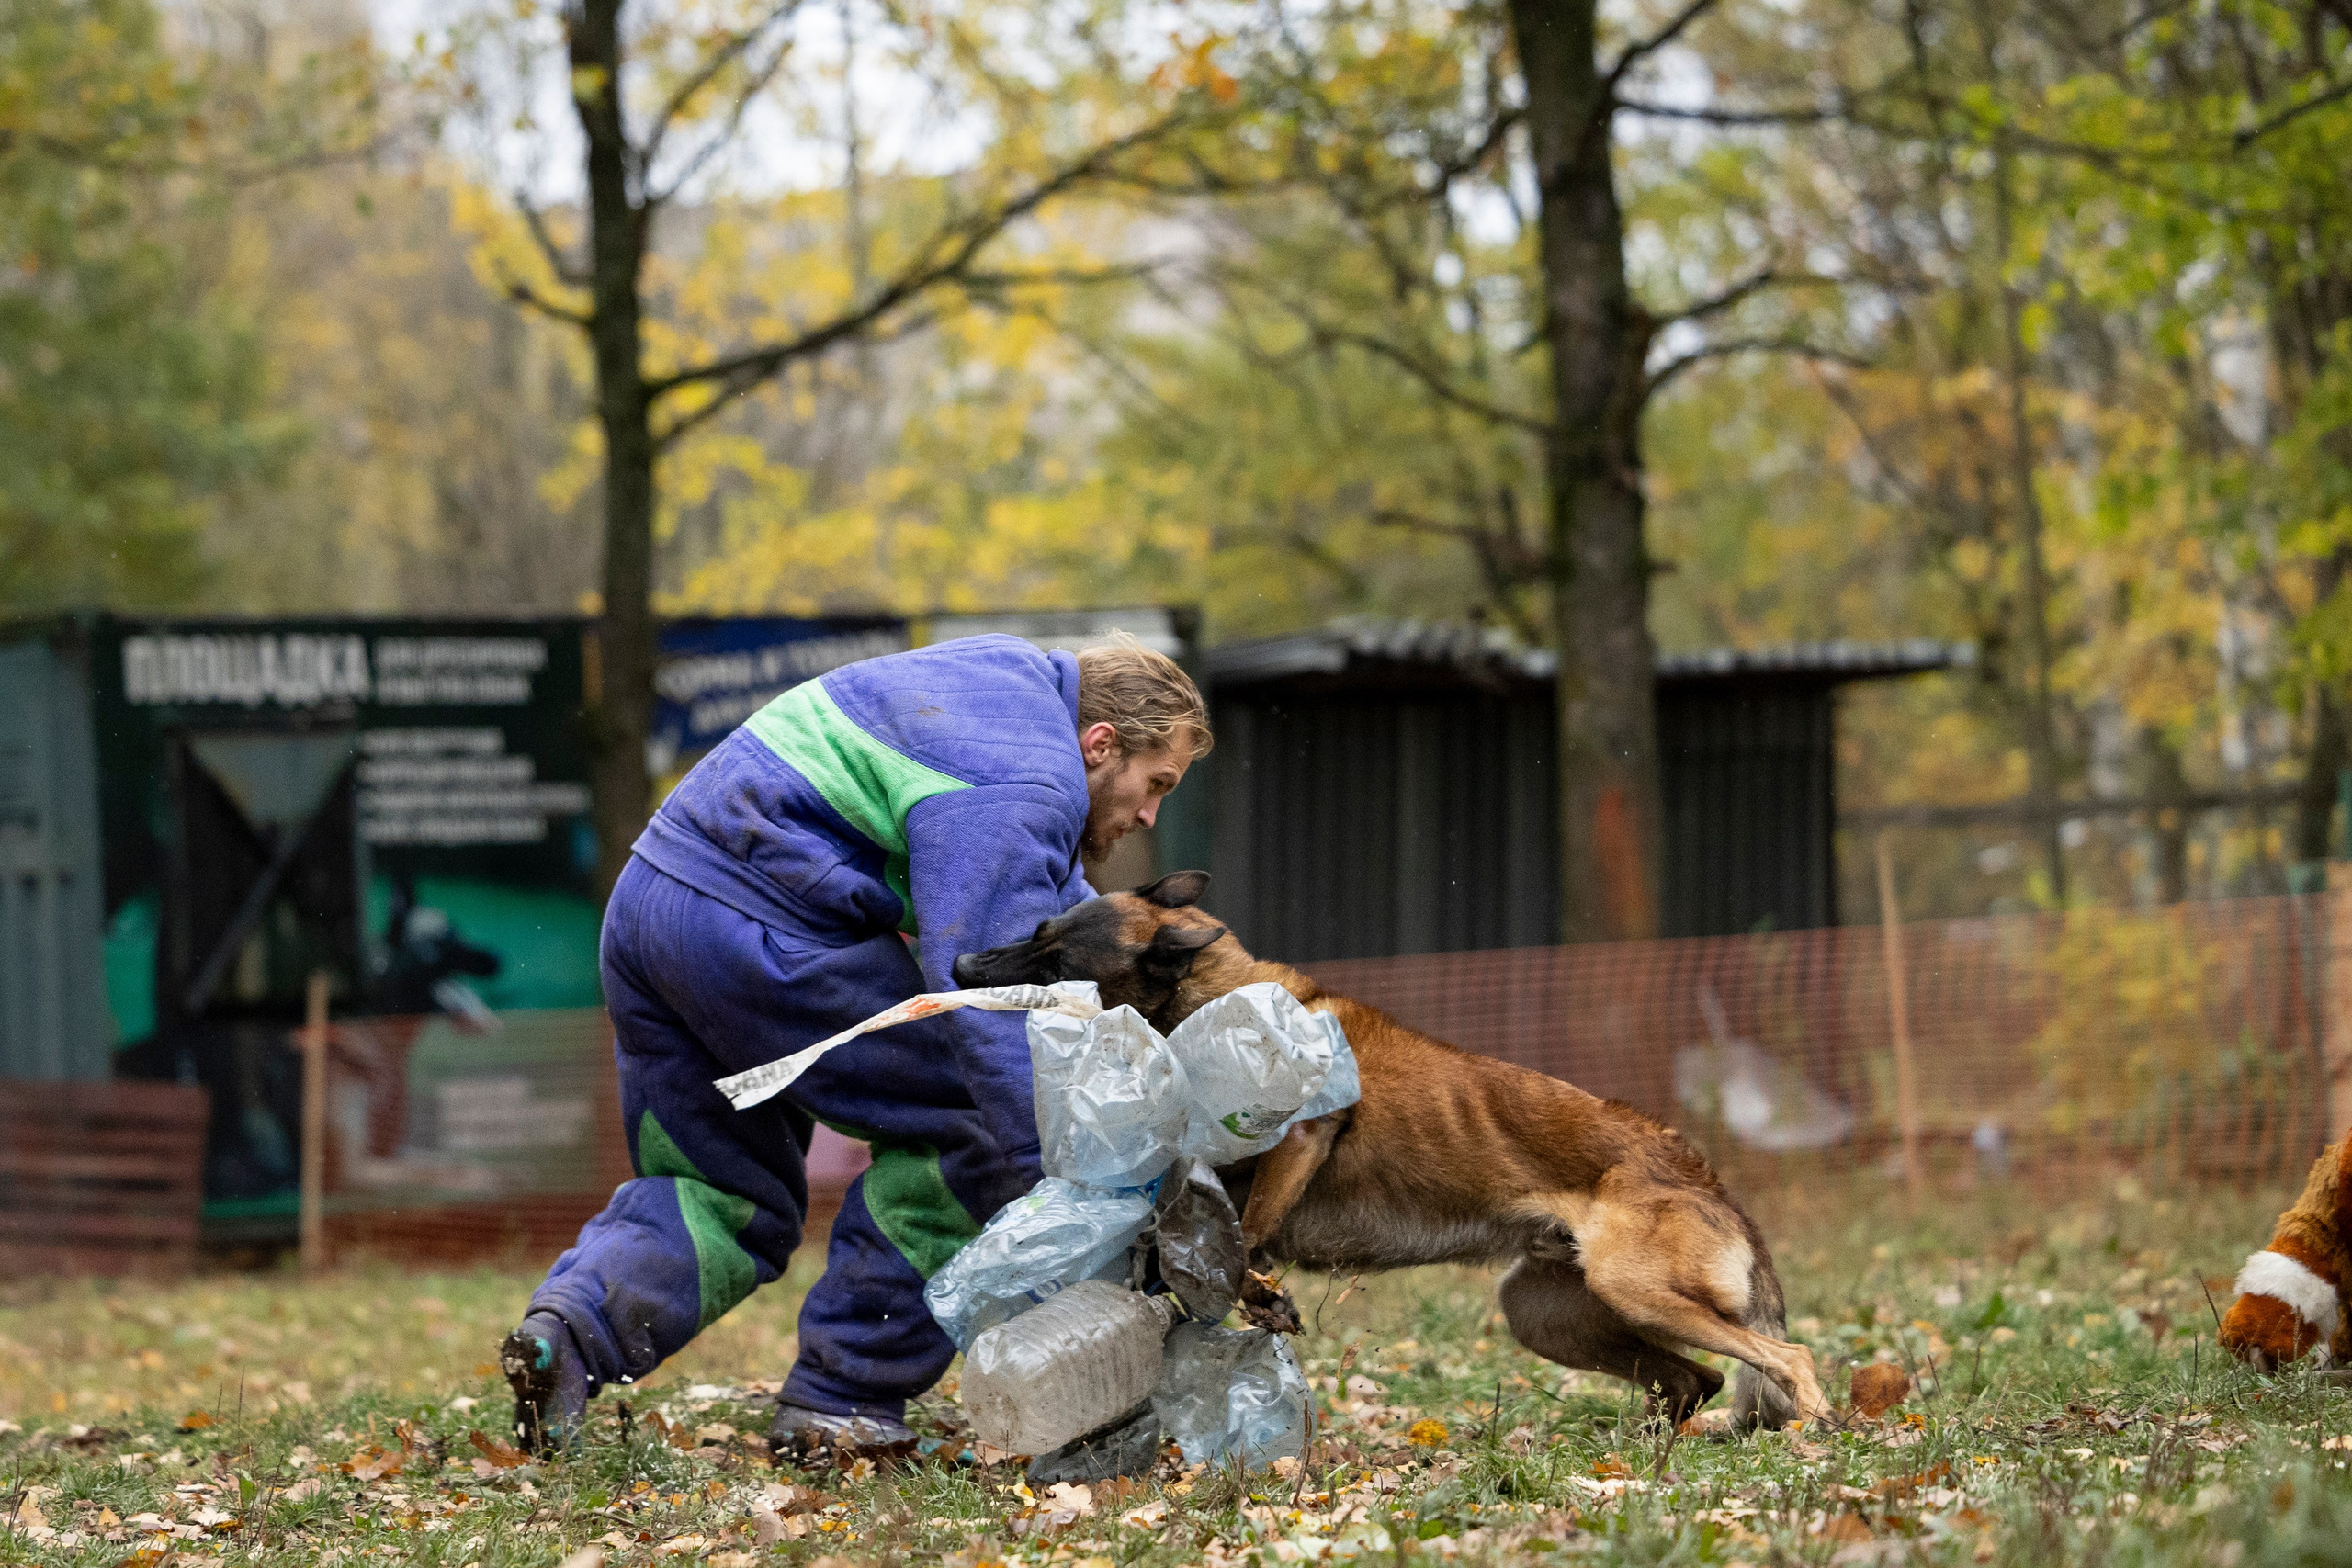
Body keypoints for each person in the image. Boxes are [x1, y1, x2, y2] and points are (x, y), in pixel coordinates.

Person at [501, 632, 1209, 1461]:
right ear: (1100, 745)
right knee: (971, 1131)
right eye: (1153, 783)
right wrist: (1072, 1176)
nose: (1151, 814)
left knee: (715, 1188)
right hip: (756, 926)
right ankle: (843, 1401)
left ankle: (569, 1337)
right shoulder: (1024, 777)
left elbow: (1061, 934)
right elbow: (992, 996)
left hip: (652, 909)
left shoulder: (1001, 697)